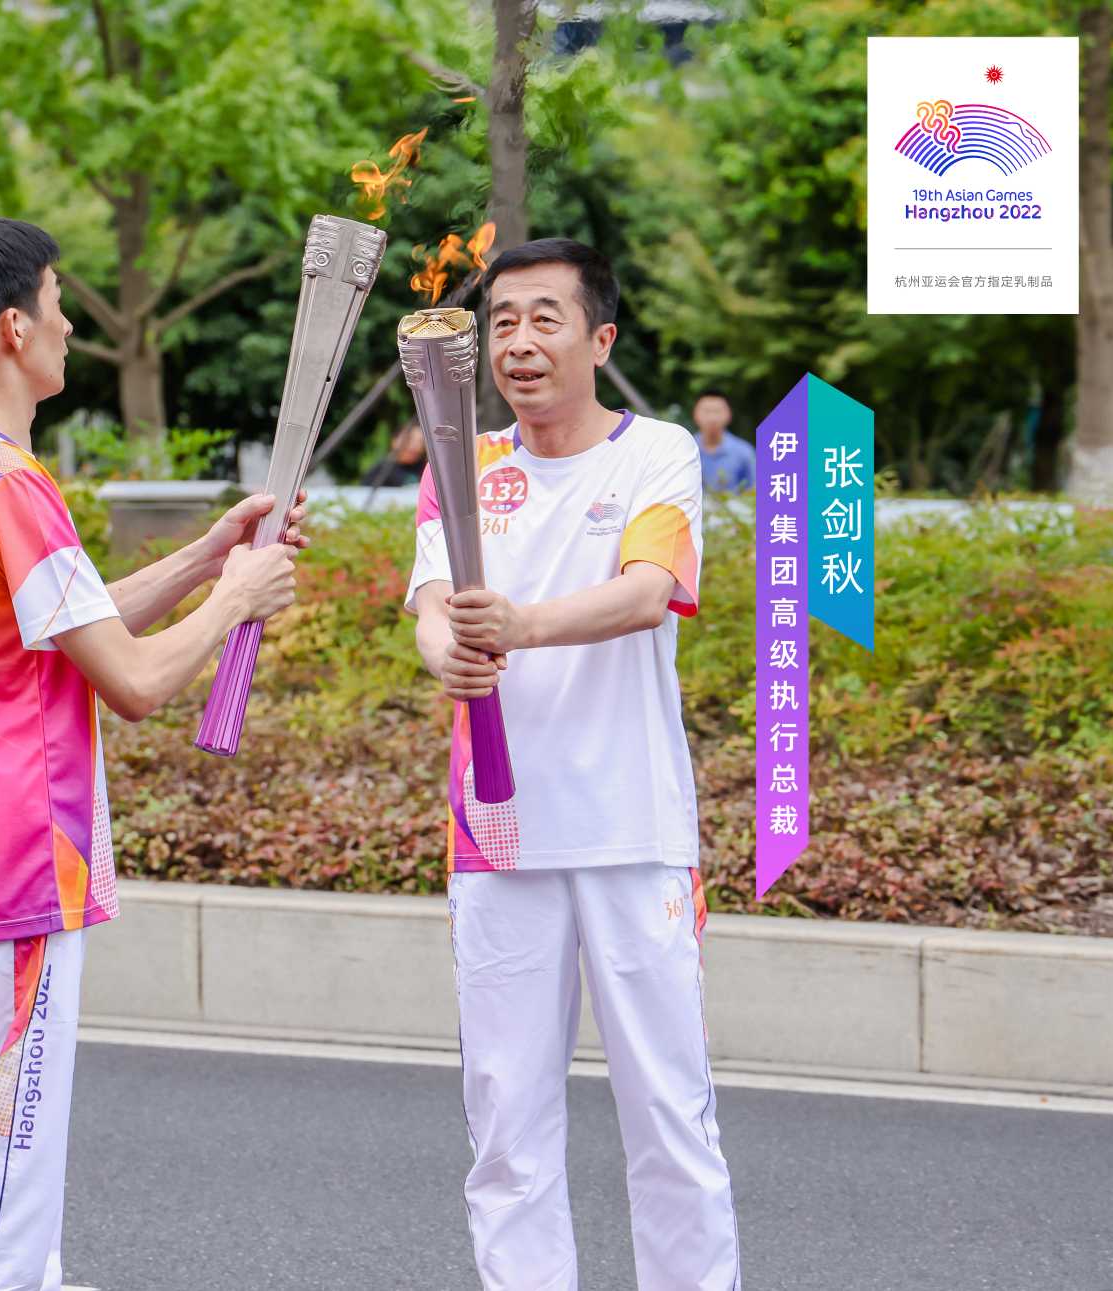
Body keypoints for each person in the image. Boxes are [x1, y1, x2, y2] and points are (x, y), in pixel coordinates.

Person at [0, 216, 303, 1291]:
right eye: (59, 302)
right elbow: (135, 682)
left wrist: (207, 559)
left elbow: (63, 623)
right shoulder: (9, 481)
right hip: (20, 863)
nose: (71, 325)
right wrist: (237, 600)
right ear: (14, 328)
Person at [406, 238, 741, 1291]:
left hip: (633, 829)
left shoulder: (656, 454)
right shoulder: (461, 462)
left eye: (545, 318)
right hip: (497, 828)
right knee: (507, 1122)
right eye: (503, 321)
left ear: (599, 339)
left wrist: (522, 625)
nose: (520, 340)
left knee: (669, 1114)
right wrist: (446, 651)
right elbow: (430, 606)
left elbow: (649, 591)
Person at [692, 388, 755, 493]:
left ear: (729, 414)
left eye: (718, 411)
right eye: (706, 411)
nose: (712, 418)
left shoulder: (744, 452)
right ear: (695, 414)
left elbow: (755, 490)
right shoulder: (685, 450)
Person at [362, 421, 428, 487]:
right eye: (410, 439)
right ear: (394, 441)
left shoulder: (427, 469)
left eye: (420, 442)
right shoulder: (381, 471)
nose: (415, 446)